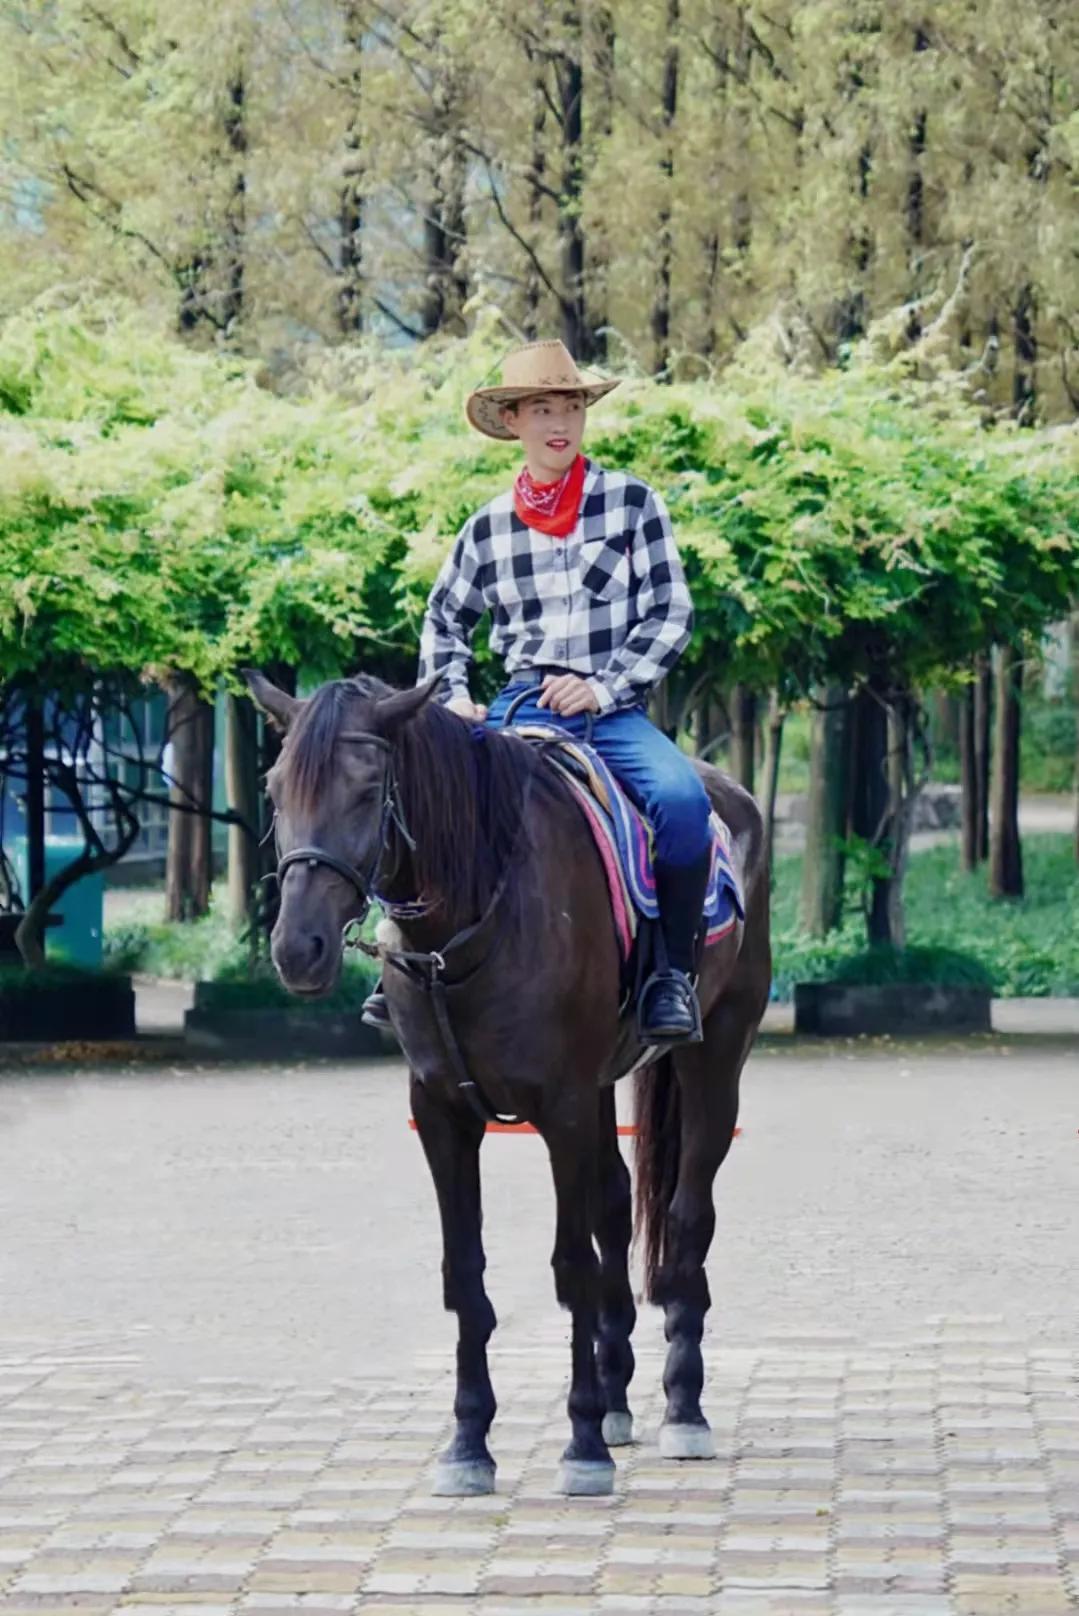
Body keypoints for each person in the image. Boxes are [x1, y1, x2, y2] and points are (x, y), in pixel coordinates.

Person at [365, 338, 713, 1043]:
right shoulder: (487, 527)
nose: (560, 423)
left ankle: (669, 977)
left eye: (572, 408)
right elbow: (444, 619)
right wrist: (453, 696)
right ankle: (397, 963)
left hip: (609, 713)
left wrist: (603, 688)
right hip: (514, 707)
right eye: (543, 409)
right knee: (424, 802)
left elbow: (671, 612)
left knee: (683, 805)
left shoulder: (631, 504)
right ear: (514, 421)